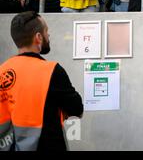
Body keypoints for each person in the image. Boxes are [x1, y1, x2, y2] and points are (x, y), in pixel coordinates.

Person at [0, 11, 83, 151]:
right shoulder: (52, 71)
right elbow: (77, 109)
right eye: (46, 31)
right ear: (38, 37)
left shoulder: (2, 72)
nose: (48, 35)